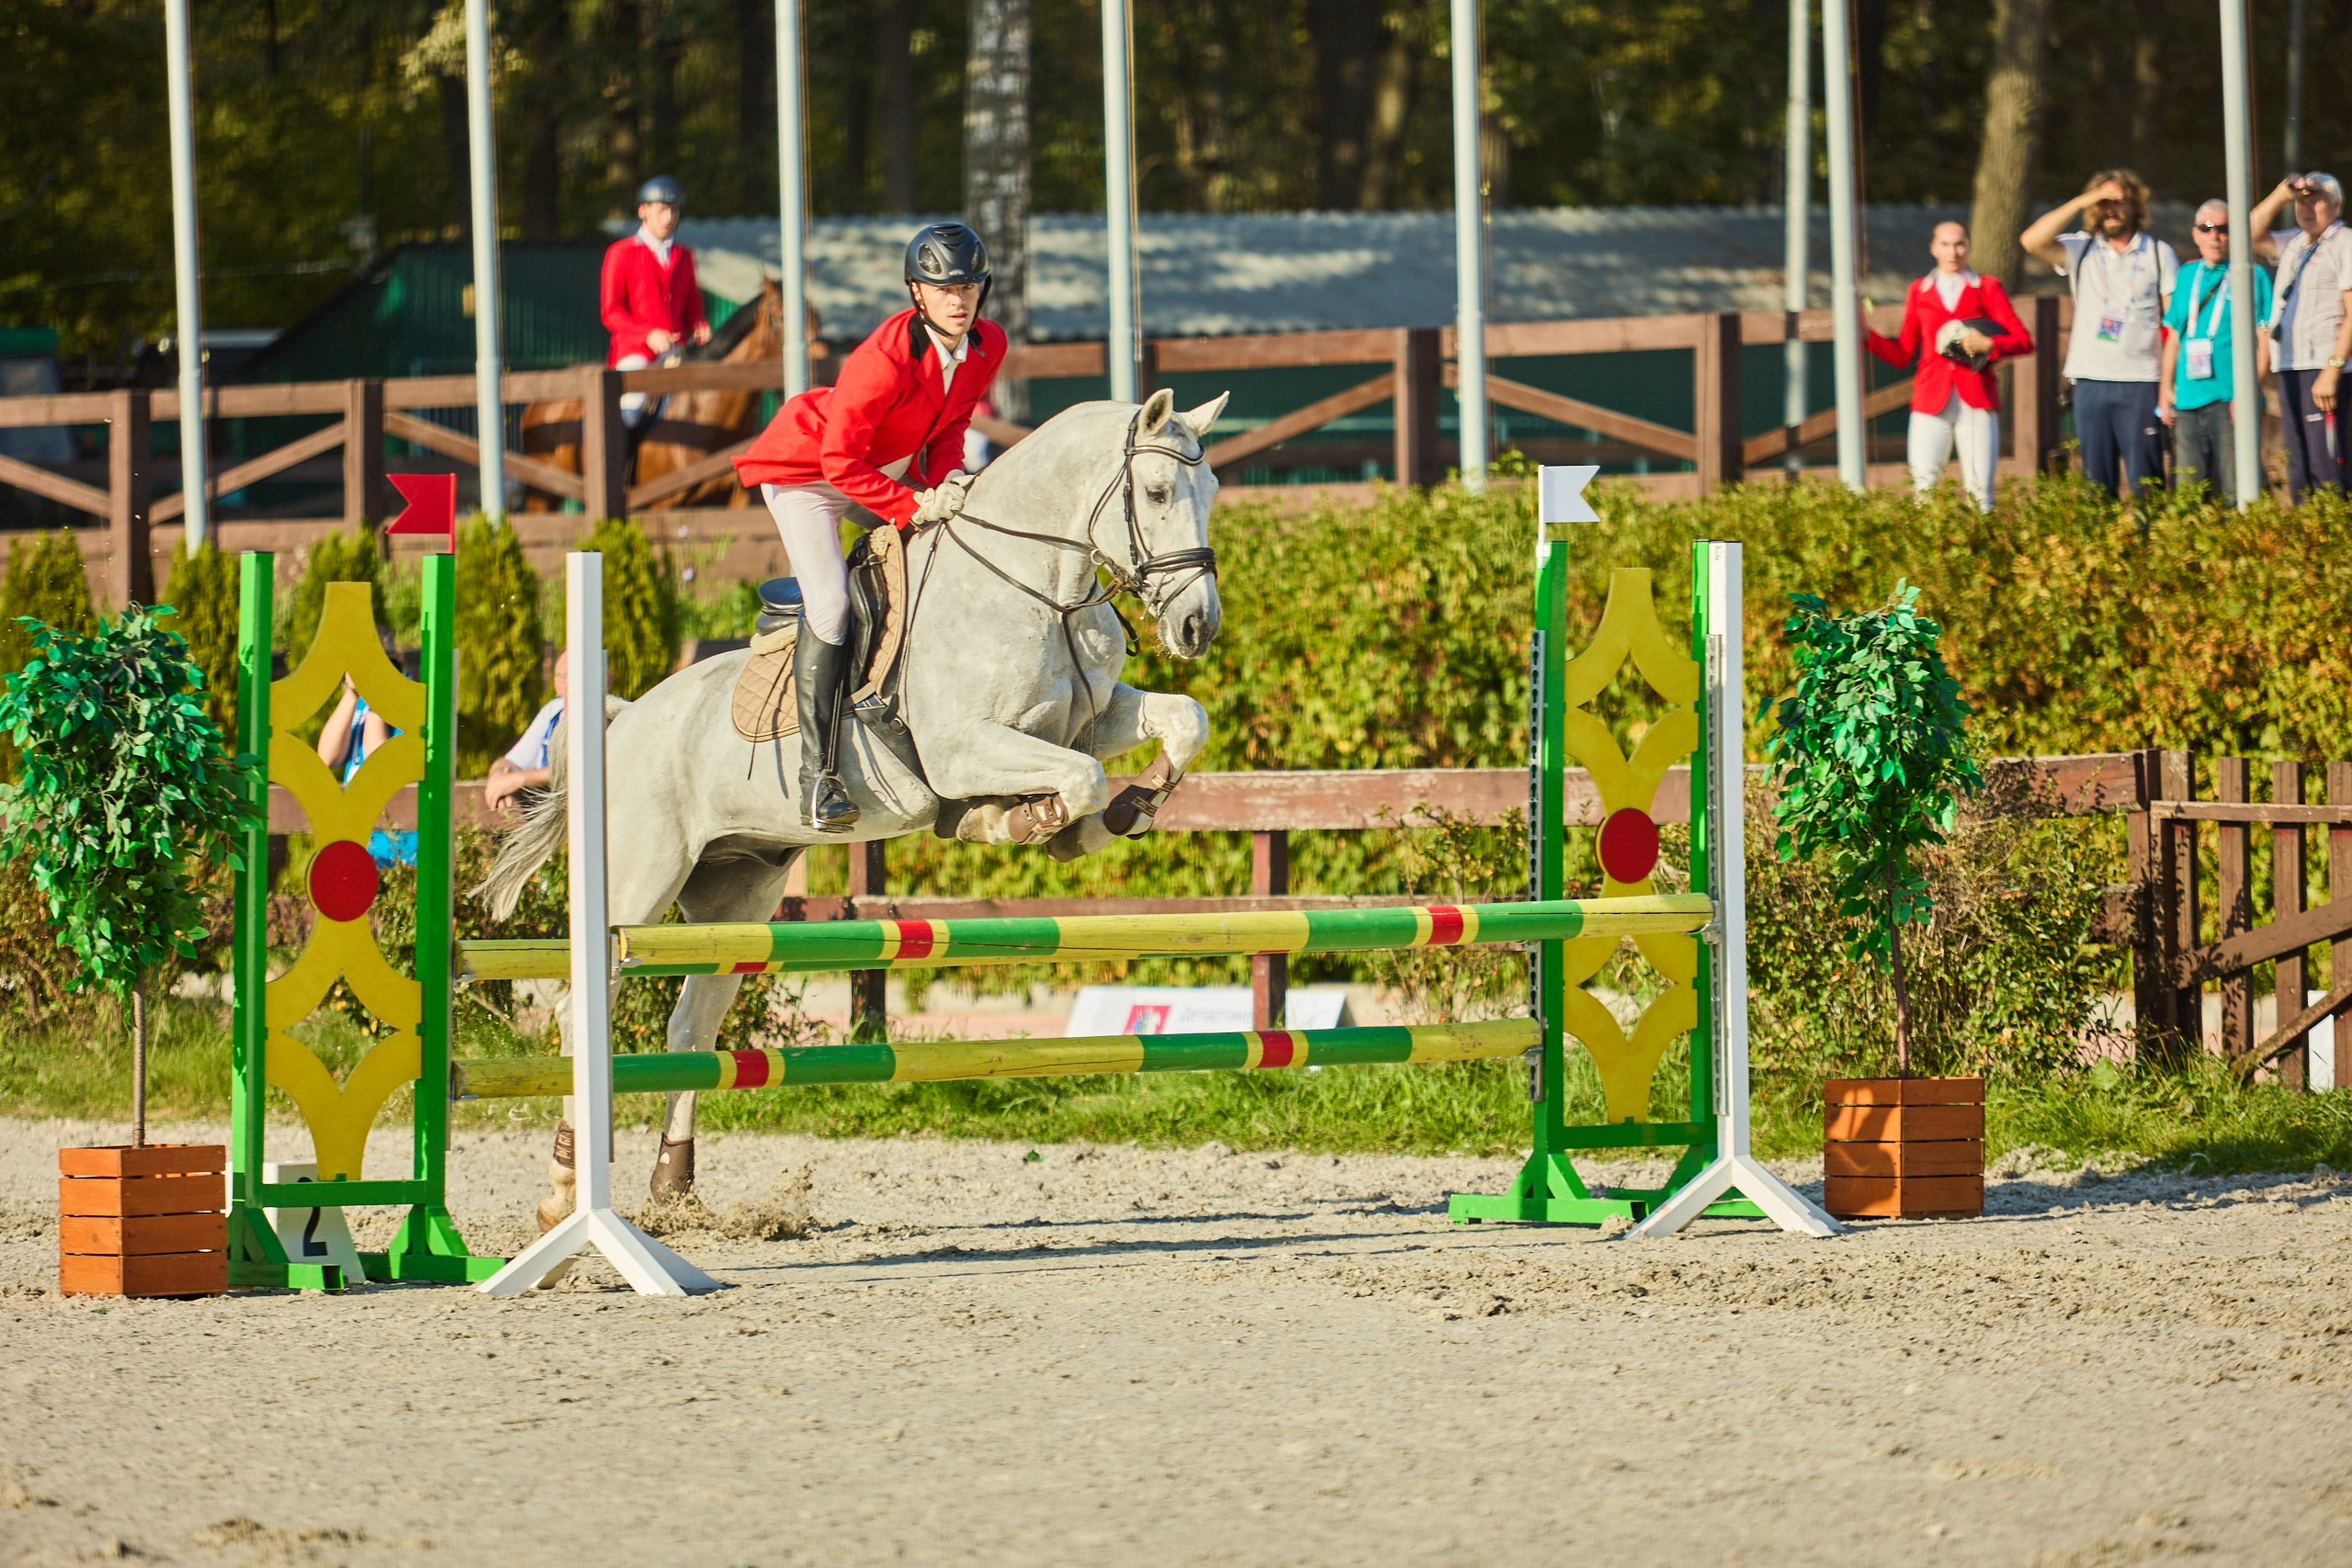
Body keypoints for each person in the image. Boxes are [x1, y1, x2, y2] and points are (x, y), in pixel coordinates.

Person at [732, 221, 1006, 834]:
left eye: (969, 286)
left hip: (879, 469)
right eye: (944, 288)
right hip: (808, 474)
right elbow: (838, 463)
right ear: (917, 292)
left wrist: (949, 481)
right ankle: (818, 776)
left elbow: (950, 428)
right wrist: (912, 506)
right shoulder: (880, 361)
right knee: (830, 606)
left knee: (948, 557)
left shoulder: (988, 345)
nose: (958, 299)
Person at [2021, 170, 2177, 498]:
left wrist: (2168, 383)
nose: (2111, 210)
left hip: (2141, 380)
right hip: (2090, 379)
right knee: (2096, 482)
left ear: (2135, 206)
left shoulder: (2158, 252)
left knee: (2146, 481)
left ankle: (2150, 544)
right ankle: (2100, 547)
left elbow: (2175, 321)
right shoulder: (2082, 247)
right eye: (2103, 204)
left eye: (2119, 202)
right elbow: (2031, 241)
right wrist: (2082, 200)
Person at [1864, 220, 2033, 511]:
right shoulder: (1920, 290)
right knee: (1924, 490)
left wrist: (1990, 345)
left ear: (1968, 247)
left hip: (1976, 396)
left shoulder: (1987, 287)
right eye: (1945, 244)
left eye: (1959, 244)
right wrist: (1865, 336)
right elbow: (1903, 353)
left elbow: (2023, 340)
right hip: (1931, 397)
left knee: (1981, 494)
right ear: (1933, 249)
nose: (1953, 252)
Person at [2159, 199, 2273, 504]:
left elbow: (2265, 343)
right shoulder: (2186, 275)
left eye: (2223, 229)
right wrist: (2165, 389)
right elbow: (2173, 337)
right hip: (2187, 399)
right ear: (2195, 234)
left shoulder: (2252, 274)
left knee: (2239, 488)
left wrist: (2249, 391)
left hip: (2231, 399)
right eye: (2207, 228)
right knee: (2189, 491)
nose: (2215, 237)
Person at [2252, 171, 2352, 501]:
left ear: (2336, 205)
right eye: (2302, 202)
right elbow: (2248, 233)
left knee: (2329, 468)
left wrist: (2333, 368)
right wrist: (2282, 193)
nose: (2307, 208)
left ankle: (2336, 541)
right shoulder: (2293, 242)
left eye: (2316, 200)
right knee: (2299, 467)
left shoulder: (2344, 242)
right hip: (2290, 366)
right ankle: (2307, 541)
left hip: (2324, 370)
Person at [601, 175, 711, 433]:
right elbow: (611, 312)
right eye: (662, 210)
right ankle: (621, 468)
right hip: (635, 353)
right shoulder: (621, 253)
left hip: (675, 353)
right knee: (630, 411)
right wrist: (647, 335)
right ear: (643, 211)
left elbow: (693, 308)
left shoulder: (684, 256)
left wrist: (699, 324)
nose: (668, 218)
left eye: (673, 210)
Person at [316, 667, 418, 868]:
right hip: (360, 841)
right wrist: (353, 694)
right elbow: (327, 756)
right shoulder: (362, 702)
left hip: (399, 848)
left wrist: (376, 697)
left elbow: (378, 765)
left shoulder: (408, 696)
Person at [484, 651, 568, 814]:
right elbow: (510, 762)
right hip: (547, 814)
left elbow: (581, 769)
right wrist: (498, 778)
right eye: (563, 675)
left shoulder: (605, 715)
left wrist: (518, 779)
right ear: (555, 683)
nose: (569, 681)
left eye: (574, 673)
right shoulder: (553, 711)